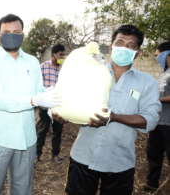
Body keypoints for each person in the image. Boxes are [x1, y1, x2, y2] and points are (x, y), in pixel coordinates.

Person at [54, 25, 161, 195]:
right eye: (119, 42)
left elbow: (151, 119)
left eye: (131, 45)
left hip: (119, 163)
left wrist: (114, 117)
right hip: (83, 156)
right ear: (112, 46)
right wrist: (63, 115)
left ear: (137, 52)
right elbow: (71, 100)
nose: (124, 48)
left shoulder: (147, 83)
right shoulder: (91, 73)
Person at [0, 14, 61, 195]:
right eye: (6, 32)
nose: (11, 35)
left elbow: (39, 92)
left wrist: (51, 100)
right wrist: (34, 100)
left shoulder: (32, 62)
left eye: (16, 32)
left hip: (27, 138)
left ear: (23, 34)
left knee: (23, 190)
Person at [143, 41, 170, 192]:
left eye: (158, 54)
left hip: (169, 123)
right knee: (153, 154)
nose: (157, 57)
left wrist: (156, 99)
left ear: (167, 54)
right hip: (157, 122)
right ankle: (152, 183)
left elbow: (159, 97)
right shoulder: (164, 72)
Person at [36, 44, 65, 163]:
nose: (62, 57)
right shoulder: (43, 67)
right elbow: (36, 84)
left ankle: (55, 155)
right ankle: (36, 155)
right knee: (42, 130)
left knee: (57, 131)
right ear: (53, 54)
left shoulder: (63, 70)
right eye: (60, 54)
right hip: (45, 105)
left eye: (63, 55)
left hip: (58, 106)